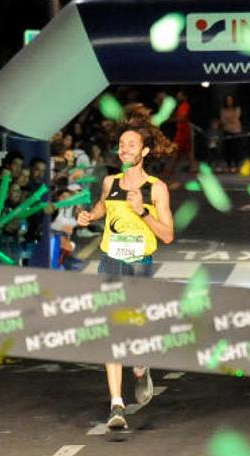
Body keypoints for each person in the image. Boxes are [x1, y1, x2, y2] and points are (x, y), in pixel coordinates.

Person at [77, 122, 175, 430]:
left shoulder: (155, 188)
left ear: (144, 151)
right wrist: (89, 216)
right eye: (121, 144)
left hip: (139, 264)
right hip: (111, 261)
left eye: (131, 144)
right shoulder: (110, 182)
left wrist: (142, 211)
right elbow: (103, 206)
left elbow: (169, 235)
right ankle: (116, 404)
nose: (124, 148)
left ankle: (141, 362)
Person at [220, 95, 243, 173]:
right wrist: (229, 119)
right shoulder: (223, 110)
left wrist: (228, 119)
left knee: (236, 149)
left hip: (236, 131)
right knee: (228, 149)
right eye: (227, 100)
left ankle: (237, 166)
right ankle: (229, 166)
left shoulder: (237, 109)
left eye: (230, 100)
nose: (229, 102)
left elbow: (235, 118)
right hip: (227, 131)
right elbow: (223, 120)